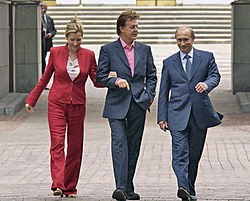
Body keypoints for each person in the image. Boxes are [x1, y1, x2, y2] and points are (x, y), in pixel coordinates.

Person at [25, 17, 103, 198]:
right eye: (72, 39)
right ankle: (58, 184)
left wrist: (112, 79)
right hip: (57, 104)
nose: (75, 43)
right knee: (58, 144)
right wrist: (32, 100)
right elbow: (45, 78)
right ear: (66, 38)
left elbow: (96, 80)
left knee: (75, 147)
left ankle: (70, 187)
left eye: (79, 40)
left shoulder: (89, 55)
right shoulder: (55, 52)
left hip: (77, 105)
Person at [96, 9, 157, 201]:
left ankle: (128, 187)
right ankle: (120, 187)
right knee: (119, 144)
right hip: (116, 105)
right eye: (132, 27)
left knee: (133, 146)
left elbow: (152, 75)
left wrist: (149, 95)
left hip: (138, 103)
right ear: (121, 29)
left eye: (137, 26)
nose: (136, 30)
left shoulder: (144, 49)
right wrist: (115, 82)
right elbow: (100, 76)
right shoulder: (108, 50)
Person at [157, 26, 223, 201]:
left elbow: (215, 76)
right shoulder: (169, 62)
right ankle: (182, 186)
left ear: (193, 38)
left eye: (185, 39)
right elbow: (164, 92)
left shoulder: (206, 57)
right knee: (180, 153)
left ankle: (189, 189)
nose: (182, 43)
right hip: (177, 114)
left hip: (199, 114)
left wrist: (207, 84)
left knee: (194, 155)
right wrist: (161, 117)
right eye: (179, 40)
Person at [41, 2, 57, 74]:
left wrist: (50, 34)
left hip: (47, 43)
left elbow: (54, 30)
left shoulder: (49, 19)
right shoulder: (36, 18)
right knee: (42, 59)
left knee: (44, 58)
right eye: (42, 8)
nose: (44, 10)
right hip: (40, 42)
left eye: (45, 8)